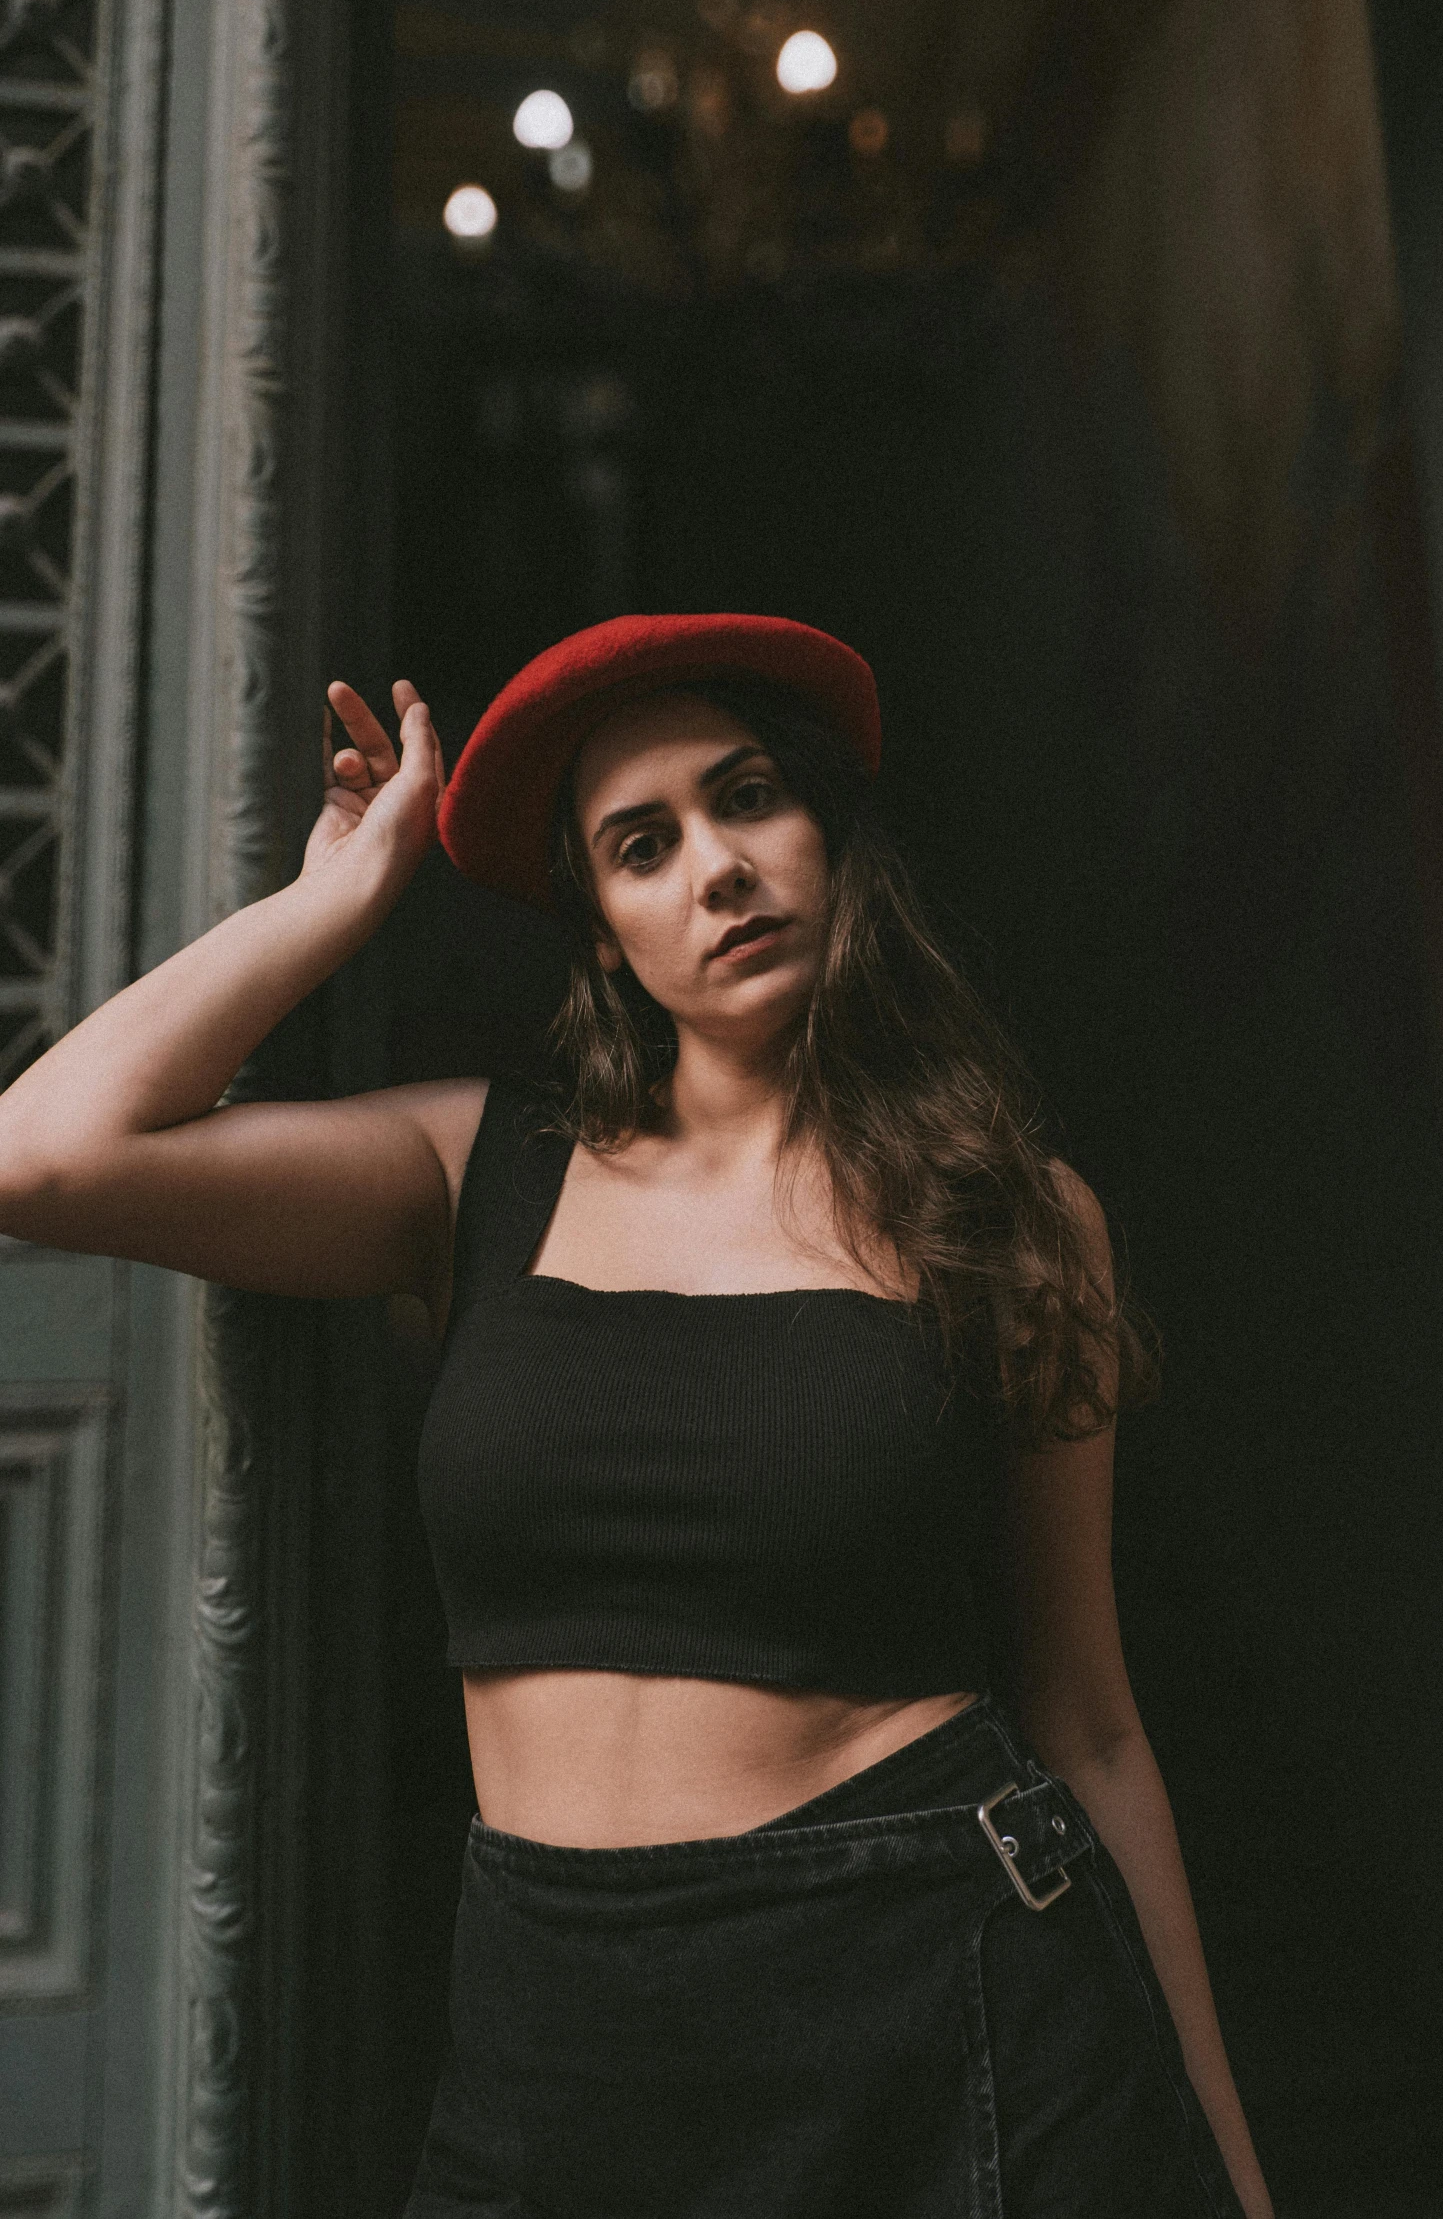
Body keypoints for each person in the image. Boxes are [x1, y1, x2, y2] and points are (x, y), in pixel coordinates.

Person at [0, 611, 1271, 2218]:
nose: (718, 867)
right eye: (642, 844)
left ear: (826, 830)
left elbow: (1085, 1718)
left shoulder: (1011, 1217)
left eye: (749, 798)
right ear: (598, 928)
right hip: (549, 2021)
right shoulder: (478, 1170)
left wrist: (1221, 2153)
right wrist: (335, 901)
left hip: (926, 1976)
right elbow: (43, 1149)